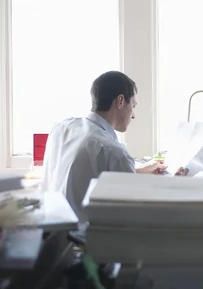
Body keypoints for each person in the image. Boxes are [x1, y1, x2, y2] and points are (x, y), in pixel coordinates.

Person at [41, 71, 188, 221]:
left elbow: (85, 172)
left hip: (50, 229)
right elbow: (136, 214)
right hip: (83, 237)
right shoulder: (114, 152)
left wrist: (137, 170)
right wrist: (173, 186)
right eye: (134, 106)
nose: (133, 115)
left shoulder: (62, 126)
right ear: (120, 101)